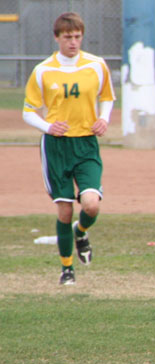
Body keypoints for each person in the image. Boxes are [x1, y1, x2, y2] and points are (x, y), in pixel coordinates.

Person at [22, 12, 115, 285]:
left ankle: (81, 232)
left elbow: (107, 97)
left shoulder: (97, 65)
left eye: (77, 37)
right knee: (64, 211)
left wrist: (104, 119)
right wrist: (47, 127)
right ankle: (67, 269)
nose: (73, 42)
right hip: (56, 147)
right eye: (67, 37)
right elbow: (28, 111)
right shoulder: (43, 70)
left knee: (91, 205)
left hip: (86, 142)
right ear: (57, 38)